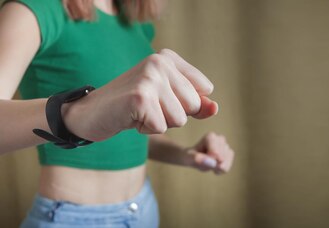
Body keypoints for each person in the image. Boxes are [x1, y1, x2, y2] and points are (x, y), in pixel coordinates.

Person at [0, 0, 235, 227]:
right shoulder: (33, 9)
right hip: (74, 218)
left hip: (143, 208)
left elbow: (125, 130)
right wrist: (78, 111)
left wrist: (186, 155)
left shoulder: (132, 20)